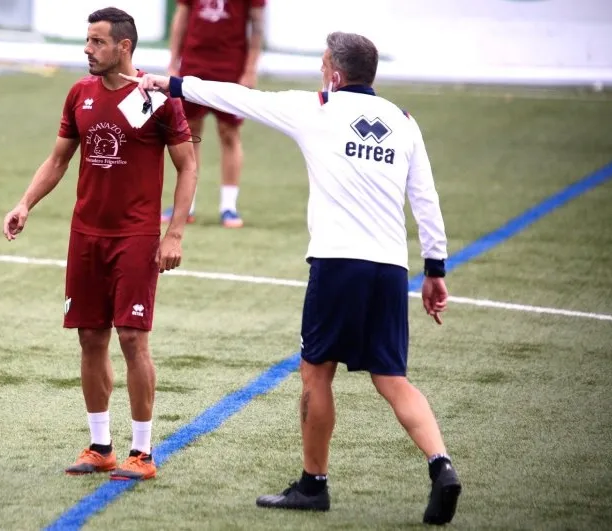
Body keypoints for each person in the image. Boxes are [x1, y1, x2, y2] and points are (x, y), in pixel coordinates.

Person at [122, 31, 462, 524]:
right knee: (392, 379)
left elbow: (236, 97)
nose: (321, 69)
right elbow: (426, 202)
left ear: (336, 73)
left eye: (324, 62)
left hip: (337, 264)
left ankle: (313, 484)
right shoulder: (404, 123)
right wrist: (435, 270)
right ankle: (441, 466)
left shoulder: (316, 109)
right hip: (390, 269)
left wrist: (171, 85)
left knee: (315, 371)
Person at [2, 7, 196, 482]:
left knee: (132, 339)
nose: (87, 49)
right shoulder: (79, 94)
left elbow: (188, 165)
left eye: (96, 41)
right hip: (85, 234)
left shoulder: (158, 98)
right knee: (90, 337)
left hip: (135, 236)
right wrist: (25, 202)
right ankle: (100, 446)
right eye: (87, 41)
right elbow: (58, 159)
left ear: (123, 47)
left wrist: (174, 233)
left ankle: (143, 452)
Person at [161, 0, 266, 228]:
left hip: (231, 65)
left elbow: (257, 24)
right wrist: (172, 61)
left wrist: (250, 69)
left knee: (229, 132)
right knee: (189, 132)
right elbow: (181, 16)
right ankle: (186, 204)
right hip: (194, 62)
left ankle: (228, 206)